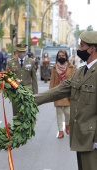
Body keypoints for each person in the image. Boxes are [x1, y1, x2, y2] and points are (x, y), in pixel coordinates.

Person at [34, 31, 97, 170]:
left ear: (92, 48)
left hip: (92, 139)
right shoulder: (81, 71)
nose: (79, 49)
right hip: (80, 137)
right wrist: (30, 100)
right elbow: (59, 90)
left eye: (82, 45)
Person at [7, 44, 38, 116]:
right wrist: (9, 91)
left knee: (27, 113)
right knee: (16, 113)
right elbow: (8, 78)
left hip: (28, 91)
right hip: (15, 91)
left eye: (23, 52)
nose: (22, 53)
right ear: (17, 52)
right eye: (20, 52)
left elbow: (34, 79)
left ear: (26, 52)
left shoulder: (31, 62)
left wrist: (36, 94)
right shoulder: (11, 63)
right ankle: (16, 127)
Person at [50, 49, 75, 138]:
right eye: (59, 56)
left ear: (66, 57)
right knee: (59, 112)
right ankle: (61, 131)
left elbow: (74, 80)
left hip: (67, 92)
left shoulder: (71, 67)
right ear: (57, 57)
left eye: (63, 56)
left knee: (68, 112)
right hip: (57, 92)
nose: (61, 57)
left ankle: (67, 125)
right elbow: (52, 80)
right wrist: (51, 92)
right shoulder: (54, 67)